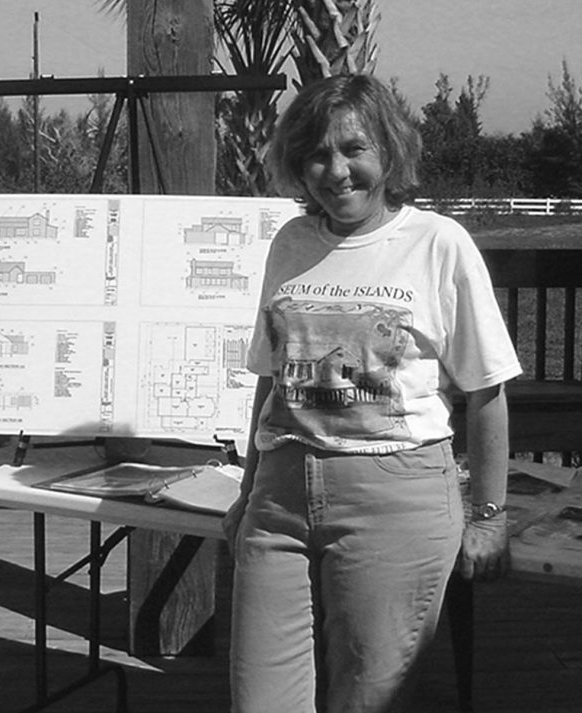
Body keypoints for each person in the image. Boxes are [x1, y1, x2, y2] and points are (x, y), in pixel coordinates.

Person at [223, 74, 522, 713]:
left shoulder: (437, 244)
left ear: (388, 149)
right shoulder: (291, 243)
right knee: (260, 699)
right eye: (317, 154)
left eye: (354, 149)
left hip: (396, 499)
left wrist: (490, 517)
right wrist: (249, 493)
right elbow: (272, 381)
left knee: (367, 701)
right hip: (279, 499)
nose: (336, 171)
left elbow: (487, 392)